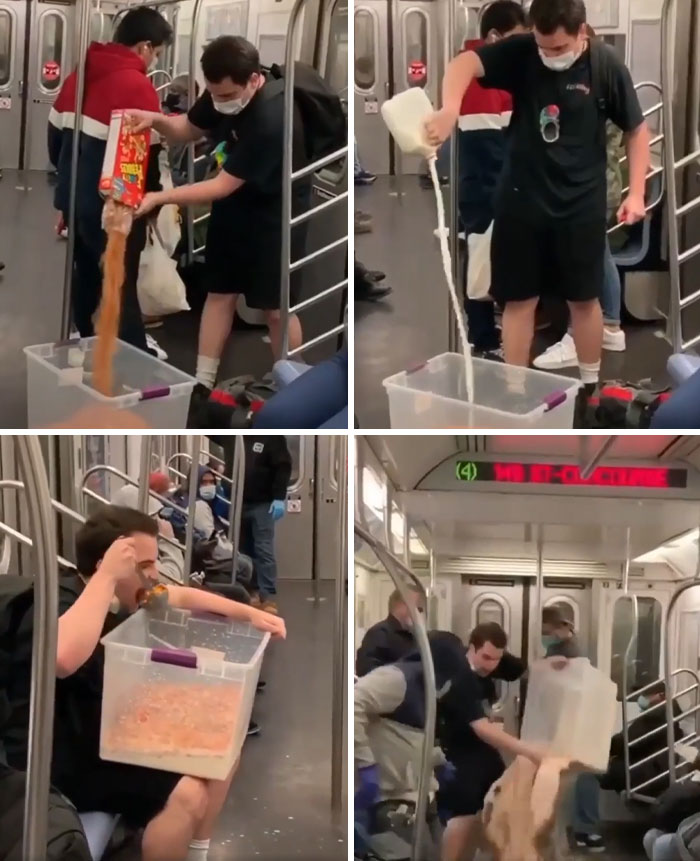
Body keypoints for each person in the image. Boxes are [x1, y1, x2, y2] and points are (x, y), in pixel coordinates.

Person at [1, 505, 284, 861]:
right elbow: (62, 658)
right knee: (187, 795)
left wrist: (251, 615)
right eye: (145, 566)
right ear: (111, 564)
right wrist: (107, 577)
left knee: (222, 746)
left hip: (106, 732)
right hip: (58, 756)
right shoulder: (61, 601)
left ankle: (197, 853)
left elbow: (175, 595)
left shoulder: (122, 597)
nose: (154, 576)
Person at [425, 0, 649, 400]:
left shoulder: (606, 66)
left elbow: (636, 130)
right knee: (519, 299)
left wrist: (636, 191)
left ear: (582, 32)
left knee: (584, 300)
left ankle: (589, 388)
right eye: (544, 48)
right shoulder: (523, 52)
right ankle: (515, 389)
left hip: (581, 203)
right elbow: (465, 66)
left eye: (559, 49)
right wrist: (448, 109)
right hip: (521, 200)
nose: (550, 56)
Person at [128, 35, 310, 393]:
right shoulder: (219, 94)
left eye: (227, 96)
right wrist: (153, 119)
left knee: (275, 307)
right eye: (213, 94)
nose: (219, 103)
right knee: (220, 291)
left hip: (276, 210)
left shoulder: (271, 118)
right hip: (235, 205)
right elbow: (189, 128)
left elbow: (220, 186)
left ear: (254, 80)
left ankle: (297, 385)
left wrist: (159, 198)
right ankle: (202, 382)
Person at [48, 7, 173, 355]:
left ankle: (82, 332)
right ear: (146, 46)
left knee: (86, 268)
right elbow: (143, 161)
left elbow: (55, 137)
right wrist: (148, 205)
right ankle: (132, 350)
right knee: (120, 278)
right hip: (113, 206)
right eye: (157, 53)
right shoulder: (137, 86)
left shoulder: (80, 74)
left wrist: (66, 191)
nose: (153, 61)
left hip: (75, 197)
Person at [534, 22, 627, 370]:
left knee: (589, 261)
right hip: (602, 185)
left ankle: (595, 329)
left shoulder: (600, 84)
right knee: (597, 255)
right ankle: (611, 324)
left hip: (593, 188)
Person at [436, 622, 545, 861]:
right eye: (486, 657)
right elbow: (482, 728)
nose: (490, 665)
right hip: (456, 750)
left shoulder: (494, 663)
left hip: (481, 750)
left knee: (497, 801)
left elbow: (522, 669)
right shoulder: (460, 677)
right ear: (472, 648)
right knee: (463, 814)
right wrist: (528, 750)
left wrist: (553, 666)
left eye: (496, 659)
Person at [354, 631, 467, 859]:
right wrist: (365, 763)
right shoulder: (396, 679)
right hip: (394, 799)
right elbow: (354, 703)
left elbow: (413, 737)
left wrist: (437, 762)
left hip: (423, 796)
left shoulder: (428, 687)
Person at [458, 1, 528, 360]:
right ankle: (484, 340)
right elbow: (492, 149)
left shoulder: (483, 70)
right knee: (483, 268)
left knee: (483, 262)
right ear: (495, 37)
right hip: (490, 189)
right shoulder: (484, 81)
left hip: (488, 186)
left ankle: (487, 333)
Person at [240, 436, 292, 615]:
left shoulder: (273, 437)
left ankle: (267, 594)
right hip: (239, 501)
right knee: (243, 550)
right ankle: (250, 591)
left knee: (263, 549)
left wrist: (279, 497)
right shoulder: (238, 435)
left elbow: (283, 467)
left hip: (263, 503)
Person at [356, 585, 426, 677]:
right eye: (417, 608)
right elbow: (367, 672)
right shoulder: (379, 634)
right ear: (401, 605)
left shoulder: (413, 635)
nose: (419, 613)